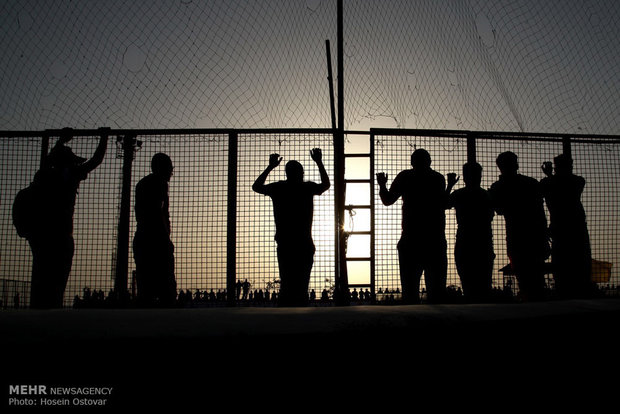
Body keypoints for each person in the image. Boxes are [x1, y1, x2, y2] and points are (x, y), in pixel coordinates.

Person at [27, 127, 109, 308]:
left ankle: (40, 310)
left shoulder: (44, 175)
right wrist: (104, 138)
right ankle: (50, 311)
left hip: (42, 236)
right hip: (62, 236)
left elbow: (49, 161)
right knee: (57, 281)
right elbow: (95, 161)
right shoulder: (69, 175)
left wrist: (60, 142)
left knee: (41, 277)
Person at [252, 148, 330, 307]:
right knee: (302, 284)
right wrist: (319, 162)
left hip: (286, 243)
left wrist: (270, 167)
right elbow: (326, 185)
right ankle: (300, 316)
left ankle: (284, 317)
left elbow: (256, 187)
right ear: (301, 172)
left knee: (287, 283)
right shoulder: (306, 188)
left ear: (287, 173)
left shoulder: (279, 188)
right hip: (304, 243)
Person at [377, 148, 447, 304]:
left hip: (411, 240)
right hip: (434, 239)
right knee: (437, 293)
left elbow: (387, 200)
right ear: (429, 161)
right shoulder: (437, 178)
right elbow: (443, 203)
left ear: (412, 162)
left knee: (410, 292)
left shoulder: (406, 177)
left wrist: (382, 185)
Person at [489, 151, 549, 301]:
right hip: (533, 235)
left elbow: (499, 210)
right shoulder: (530, 183)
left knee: (524, 277)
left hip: (516, 236)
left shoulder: (498, 186)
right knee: (536, 278)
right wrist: (544, 235)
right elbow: (540, 212)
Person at [541, 154, 593, 298]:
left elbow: (550, 187)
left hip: (560, 229)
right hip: (577, 229)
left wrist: (549, 174)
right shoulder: (577, 181)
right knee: (580, 263)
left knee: (562, 265)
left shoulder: (551, 182)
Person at [446, 162, 495, 302]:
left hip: (465, 241)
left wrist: (449, 185)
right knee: (484, 284)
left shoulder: (460, 194)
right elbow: (491, 215)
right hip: (483, 241)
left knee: (467, 283)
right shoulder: (486, 195)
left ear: (465, 177)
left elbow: (444, 204)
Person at [133, 153, 177, 307]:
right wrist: (165, 238)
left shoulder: (142, 184)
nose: (171, 172)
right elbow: (158, 213)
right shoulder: (160, 184)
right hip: (156, 240)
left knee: (145, 287)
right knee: (166, 289)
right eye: (170, 168)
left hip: (143, 238)